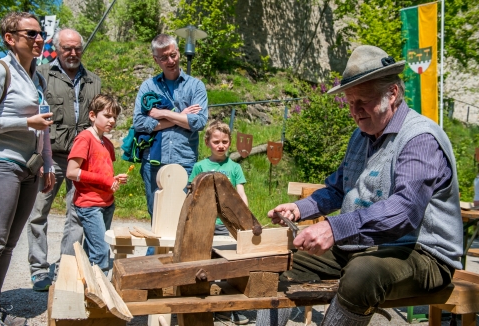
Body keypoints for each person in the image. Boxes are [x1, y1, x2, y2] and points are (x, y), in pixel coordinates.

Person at [259, 45, 463, 326]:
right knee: (279, 261)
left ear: (392, 93)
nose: (354, 111)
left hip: (423, 253)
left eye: (362, 101)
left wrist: (334, 227)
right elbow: (339, 189)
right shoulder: (361, 135)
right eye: (350, 102)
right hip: (364, 245)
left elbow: (405, 211)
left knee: (361, 275)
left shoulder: (420, 138)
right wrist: (298, 208)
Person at [0, 12, 55, 326]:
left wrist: (47, 163)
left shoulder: (36, 77)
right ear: (11, 38)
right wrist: (25, 121)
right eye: (31, 34)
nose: (39, 40)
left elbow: (44, 126)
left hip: (28, 170)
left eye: (41, 35)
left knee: (8, 244)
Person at [27, 27, 101, 291]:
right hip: (50, 156)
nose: (73, 53)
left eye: (77, 48)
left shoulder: (94, 81)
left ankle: (67, 268)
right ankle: (38, 270)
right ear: (57, 48)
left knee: (77, 214)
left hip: (81, 160)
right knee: (38, 212)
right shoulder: (42, 74)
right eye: (67, 48)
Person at [133, 33, 208, 237]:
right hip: (153, 162)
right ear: (155, 60)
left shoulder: (195, 86)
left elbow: (199, 121)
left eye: (173, 55)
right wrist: (181, 116)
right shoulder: (148, 87)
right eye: (164, 57)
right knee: (155, 215)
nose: (170, 61)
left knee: (182, 216)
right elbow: (139, 123)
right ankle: (156, 263)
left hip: (184, 161)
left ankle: (176, 265)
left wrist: (164, 113)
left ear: (178, 53)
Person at [188, 121, 249, 325]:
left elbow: (240, 193)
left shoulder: (234, 167)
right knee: (207, 263)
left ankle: (228, 307)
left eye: (225, 141)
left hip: (228, 223)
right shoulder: (200, 166)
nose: (221, 145)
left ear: (230, 142)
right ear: (207, 142)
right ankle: (207, 304)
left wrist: (246, 217)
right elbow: (191, 194)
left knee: (230, 265)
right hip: (205, 223)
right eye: (216, 141)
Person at [66, 94, 127, 274]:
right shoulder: (84, 138)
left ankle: (85, 289)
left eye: (114, 117)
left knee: (92, 250)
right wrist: (105, 180)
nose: (112, 120)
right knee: (101, 253)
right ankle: (100, 296)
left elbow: (103, 171)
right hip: (90, 205)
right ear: (92, 115)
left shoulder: (106, 143)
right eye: (107, 116)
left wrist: (115, 179)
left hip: (107, 203)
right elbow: (72, 172)